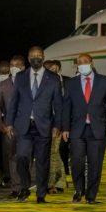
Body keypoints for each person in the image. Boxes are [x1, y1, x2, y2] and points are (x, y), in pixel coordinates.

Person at [5, 46, 62, 203]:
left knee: (42, 162)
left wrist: (57, 125)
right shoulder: (21, 77)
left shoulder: (53, 78)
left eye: (38, 55)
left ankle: (41, 194)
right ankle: (25, 186)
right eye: (32, 56)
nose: (35, 58)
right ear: (28, 58)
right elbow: (14, 102)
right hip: (24, 125)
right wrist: (9, 123)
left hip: (44, 126)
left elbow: (58, 105)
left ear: (43, 57)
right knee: (22, 157)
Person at [62, 53, 106, 203]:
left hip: (97, 128)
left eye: (85, 62)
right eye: (79, 63)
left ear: (92, 63)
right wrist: (65, 128)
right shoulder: (71, 83)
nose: (82, 64)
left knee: (95, 163)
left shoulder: (104, 81)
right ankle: (78, 190)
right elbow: (66, 106)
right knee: (76, 162)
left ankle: (91, 195)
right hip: (77, 129)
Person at [0, 55, 25, 199]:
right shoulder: (4, 84)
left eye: (17, 65)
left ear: (23, 67)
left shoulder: (30, 82)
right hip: (10, 128)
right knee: (12, 157)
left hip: (27, 127)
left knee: (25, 157)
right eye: (12, 64)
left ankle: (24, 185)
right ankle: (15, 188)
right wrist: (1, 125)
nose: (13, 67)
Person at [46, 60, 67, 193]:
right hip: (45, 123)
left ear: (58, 69)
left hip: (58, 123)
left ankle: (51, 183)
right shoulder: (46, 83)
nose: (52, 71)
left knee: (53, 153)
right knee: (53, 153)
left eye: (54, 69)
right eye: (50, 69)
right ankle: (61, 180)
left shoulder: (65, 83)